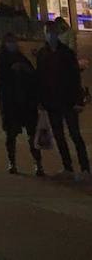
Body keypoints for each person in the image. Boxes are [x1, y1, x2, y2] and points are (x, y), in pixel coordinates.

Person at [36, 18, 89, 178]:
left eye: (52, 33)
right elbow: (40, 78)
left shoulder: (66, 53)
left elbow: (74, 78)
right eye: (47, 33)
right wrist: (41, 101)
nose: (50, 36)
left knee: (75, 134)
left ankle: (85, 167)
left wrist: (78, 100)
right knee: (59, 135)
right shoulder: (42, 54)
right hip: (52, 102)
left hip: (68, 101)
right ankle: (68, 167)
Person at [0, 33, 44, 176]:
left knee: (32, 135)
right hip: (11, 104)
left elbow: (33, 77)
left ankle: (38, 163)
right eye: (10, 42)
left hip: (26, 103)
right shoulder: (1, 61)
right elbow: (1, 83)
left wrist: (24, 69)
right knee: (11, 135)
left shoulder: (22, 59)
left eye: (14, 42)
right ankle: (12, 162)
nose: (13, 45)